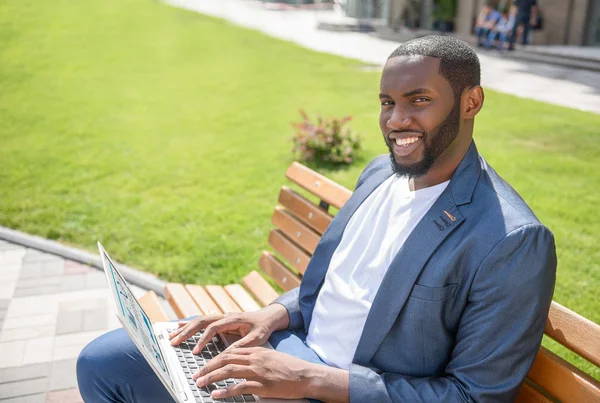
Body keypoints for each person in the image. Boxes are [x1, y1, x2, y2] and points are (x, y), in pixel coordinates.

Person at [77, 36, 557, 403]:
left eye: (419, 100)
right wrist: (275, 313)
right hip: (290, 346)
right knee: (103, 363)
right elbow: (344, 282)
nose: (395, 120)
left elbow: (474, 395)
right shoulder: (378, 174)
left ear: (471, 101)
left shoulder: (513, 240)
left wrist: (307, 378)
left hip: (341, 388)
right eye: (387, 102)